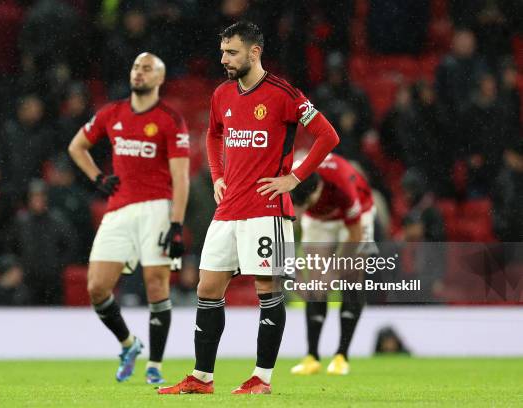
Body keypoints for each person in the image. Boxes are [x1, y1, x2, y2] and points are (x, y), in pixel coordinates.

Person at [158, 21, 339, 395]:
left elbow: (327, 135)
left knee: (267, 289)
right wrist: (217, 174)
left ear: (254, 52)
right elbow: (212, 134)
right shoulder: (222, 94)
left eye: (232, 52)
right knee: (207, 288)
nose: (224, 58)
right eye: (223, 51)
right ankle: (202, 378)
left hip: (268, 210)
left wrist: (295, 178)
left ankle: (262, 378)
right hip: (228, 210)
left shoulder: (284, 94)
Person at [68, 52, 190, 384]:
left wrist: (177, 224)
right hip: (119, 208)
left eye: (148, 69)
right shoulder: (112, 112)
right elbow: (77, 146)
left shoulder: (170, 119)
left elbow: (181, 177)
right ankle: (129, 344)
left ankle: (156, 365)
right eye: (136, 67)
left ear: (160, 79)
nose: (139, 72)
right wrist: (97, 178)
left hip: (157, 208)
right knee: (96, 288)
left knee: (156, 284)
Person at [288, 153, 375, 376]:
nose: (298, 211)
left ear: (317, 190)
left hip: (358, 214)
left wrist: (334, 271)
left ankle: (341, 355)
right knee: (316, 282)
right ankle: (311, 356)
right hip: (319, 221)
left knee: (352, 276)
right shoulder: (290, 178)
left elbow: (354, 235)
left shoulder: (342, 184)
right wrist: (290, 271)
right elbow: (284, 230)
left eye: (304, 204)